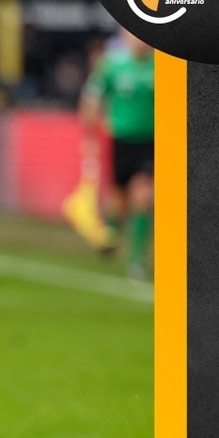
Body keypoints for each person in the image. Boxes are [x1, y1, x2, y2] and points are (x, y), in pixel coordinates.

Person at [78, 26, 155, 279]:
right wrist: (90, 135)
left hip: (150, 141)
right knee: (118, 196)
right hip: (120, 140)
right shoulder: (111, 65)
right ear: (124, 36)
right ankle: (110, 235)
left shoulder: (161, 66)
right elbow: (92, 98)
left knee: (142, 196)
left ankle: (136, 260)